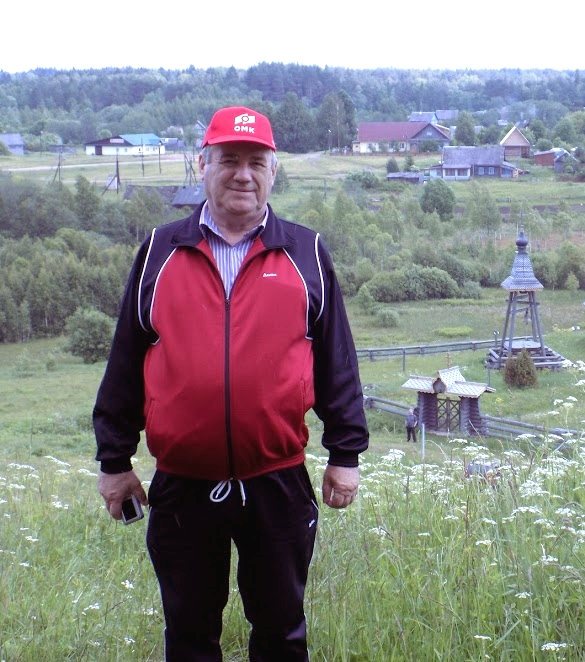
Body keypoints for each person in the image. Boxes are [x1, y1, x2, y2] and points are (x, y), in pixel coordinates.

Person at [93, 105, 369, 662]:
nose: (243, 174)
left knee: (282, 631)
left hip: (278, 482)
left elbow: (336, 361)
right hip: (182, 485)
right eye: (229, 160)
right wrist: (114, 461)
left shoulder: (306, 252)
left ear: (274, 171)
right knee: (189, 635)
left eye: (256, 162)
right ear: (204, 165)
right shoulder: (159, 251)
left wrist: (346, 454)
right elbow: (125, 361)